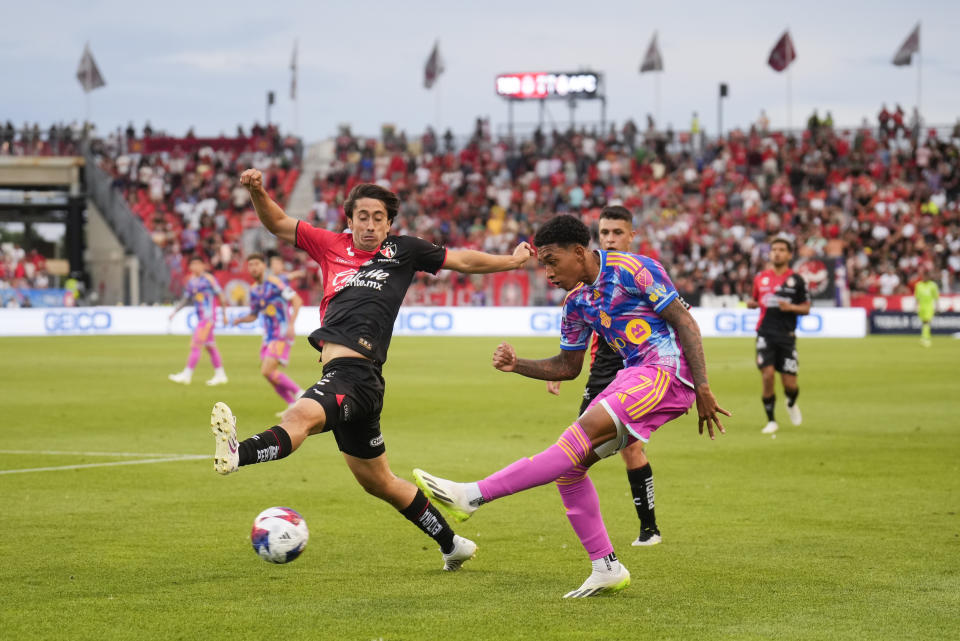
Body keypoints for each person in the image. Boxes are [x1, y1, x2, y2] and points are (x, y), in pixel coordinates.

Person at [211, 172, 533, 573]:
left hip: (355, 374)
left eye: (378, 217)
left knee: (299, 416)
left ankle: (236, 454)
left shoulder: (405, 251)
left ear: (389, 224)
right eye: (362, 216)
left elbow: (462, 260)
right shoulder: (330, 245)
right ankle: (453, 545)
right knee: (379, 481)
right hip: (357, 380)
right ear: (349, 220)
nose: (369, 224)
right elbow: (277, 223)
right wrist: (257, 191)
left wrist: (513, 260)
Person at [413, 214, 729, 598]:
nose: (547, 272)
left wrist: (704, 387)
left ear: (578, 252)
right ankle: (605, 566)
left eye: (551, 260)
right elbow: (568, 366)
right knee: (570, 469)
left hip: (664, 372)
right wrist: (518, 365)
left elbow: (686, 323)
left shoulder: (634, 269)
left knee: (572, 441)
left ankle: (474, 494)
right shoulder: (576, 303)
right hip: (634, 377)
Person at [545, 206, 663, 547]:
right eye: (605, 233)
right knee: (577, 451)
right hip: (602, 369)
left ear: (632, 236)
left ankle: (648, 528)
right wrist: (560, 372)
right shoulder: (586, 282)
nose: (610, 239)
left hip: (640, 365)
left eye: (617, 233)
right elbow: (576, 331)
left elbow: (671, 321)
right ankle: (594, 531)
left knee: (631, 448)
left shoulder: (639, 274)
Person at [746, 238, 810, 434]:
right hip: (765, 333)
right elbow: (754, 300)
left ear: (789, 255)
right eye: (774, 249)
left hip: (786, 336)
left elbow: (806, 308)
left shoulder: (797, 280)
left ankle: (791, 402)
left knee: (790, 384)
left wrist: (790, 307)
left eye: (782, 250)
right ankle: (771, 420)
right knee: (768, 375)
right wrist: (753, 304)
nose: (777, 253)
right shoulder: (761, 277)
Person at [230, 253, 304, 413]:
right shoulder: (254, 290)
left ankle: (300, 394)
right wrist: (240, 320)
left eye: (256, 264)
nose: (253, 267)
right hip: (268, 336)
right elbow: (254, 315)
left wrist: (291, 325)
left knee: (267, 370)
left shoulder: (276, 283)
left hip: (282, 333)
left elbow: (297, 301)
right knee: (268, 375)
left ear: (264, 266)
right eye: (250, 265)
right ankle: (292, 404)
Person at [169, 256, 229, 385]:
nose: (195, 267)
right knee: (210, 347)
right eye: (193, 264)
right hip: (201, 318)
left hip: (208, 319)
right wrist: (174, 312)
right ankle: (221, 374)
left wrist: (224, 314)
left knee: (195, 345)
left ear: (203, 265)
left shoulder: (209, 279)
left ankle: (187, 375)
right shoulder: (191, 282)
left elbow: (221, 295)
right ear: (190, 267)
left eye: (198, 264)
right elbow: (186, 299)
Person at [914, 268, 939, 348]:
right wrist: (915, 306)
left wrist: (937, 306)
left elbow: (936, 297)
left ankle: (925, 338)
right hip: (921, 307)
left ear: (928, 277)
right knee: (924, 323)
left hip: (929, 307)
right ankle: (926, 337)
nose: (925, 278)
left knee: (926, 322)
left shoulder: (933, 285)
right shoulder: (919, 285)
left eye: (926, 276)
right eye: (924, 276)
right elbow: (917, 297)